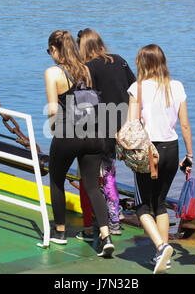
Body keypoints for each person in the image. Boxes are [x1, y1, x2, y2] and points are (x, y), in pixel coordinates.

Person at [44, 30, 114, 257]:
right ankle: (106, 236)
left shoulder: (52, 72)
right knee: (93, 186)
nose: (49, 54)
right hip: (94, 135)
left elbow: (53, 109)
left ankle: (61, 232)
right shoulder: (85, 70)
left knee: (56, 180)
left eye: (49, 50)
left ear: (55, 49)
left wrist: (54, 127)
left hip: (68, 133)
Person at [126, 44, 193, 274]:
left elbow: (133, 126)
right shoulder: (176, 86)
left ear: (143, 63)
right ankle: (162, 256)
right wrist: (190, 155)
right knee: (161, 202)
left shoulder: (138, 88)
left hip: (148, 151)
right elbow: (184, 124)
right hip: (172, 149)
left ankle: (162, 246)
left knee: (142, 206)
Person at [75, 28, 136, 238]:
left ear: (82, 47)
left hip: (101, 128)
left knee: (94, 176)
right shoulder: (119, 60)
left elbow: (85, 102)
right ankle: (116, 218)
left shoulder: (87, 68)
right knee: (111, 174)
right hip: (125, 125)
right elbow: (135, 88)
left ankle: (101, 221)